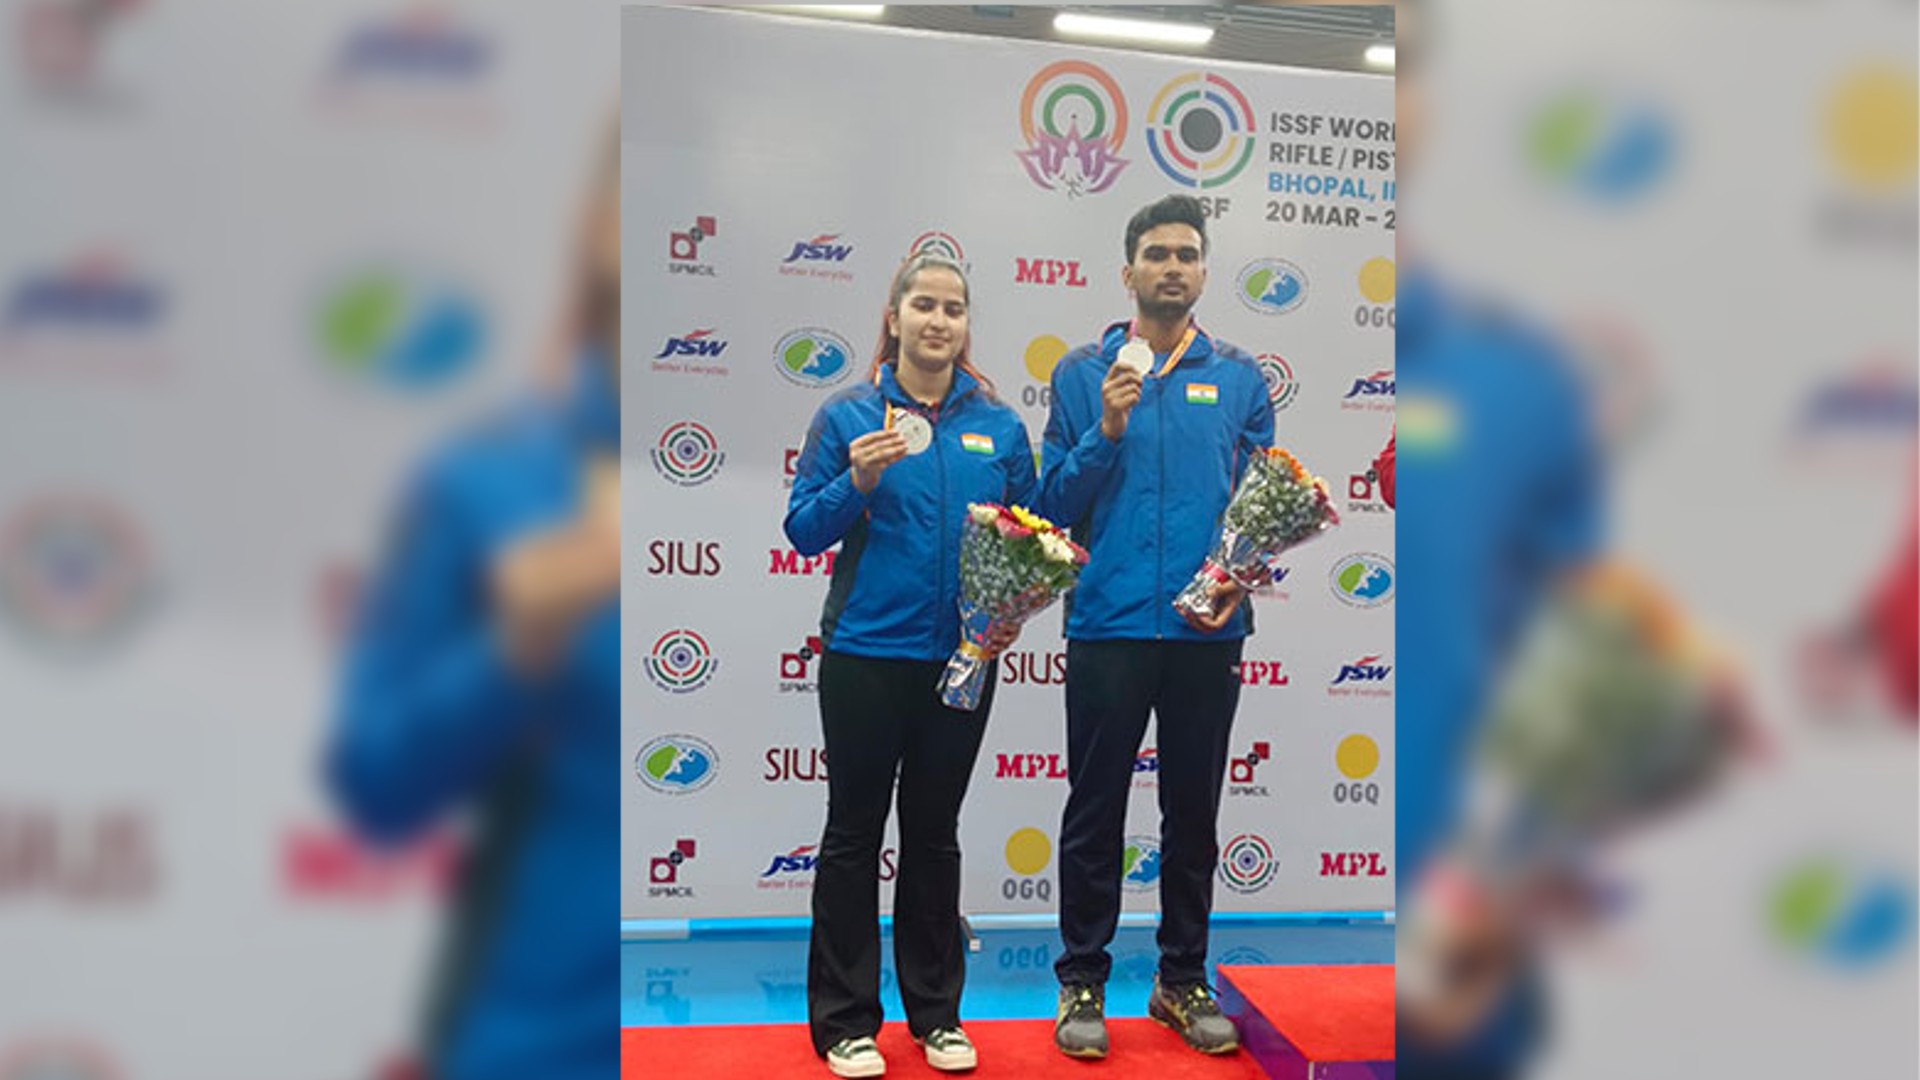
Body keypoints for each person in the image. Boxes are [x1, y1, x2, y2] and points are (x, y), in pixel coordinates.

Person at [325, 129, 619, 1080]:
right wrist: (517, 644)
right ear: (593, 224)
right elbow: (376, 781)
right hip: (526, 1041)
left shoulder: (731, 477)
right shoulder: (487, 479)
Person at [785, 253, 1037, 1078]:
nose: (939, 320)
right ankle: (845, 1022)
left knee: (934, 837)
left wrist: (1008, 614)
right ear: (893, 317)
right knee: (853, 835)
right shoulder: (847, 413)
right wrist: (856, 480)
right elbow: (803, 531)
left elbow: (1029, 541)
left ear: (967, 326)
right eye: (923, 305)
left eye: (954, 308)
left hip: (961, 664)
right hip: (864, 656)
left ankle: (937, 1015)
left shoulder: (999, 428)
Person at [1037, 194, 1274, 1059]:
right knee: (1095, 810)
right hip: (1107, 623)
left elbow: (1260, 509)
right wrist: (1105, 427)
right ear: (1127, 271)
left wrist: (1241, 574)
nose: (1173, 266)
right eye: (1157, 253)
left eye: (1188, 253)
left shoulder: (1242, 376)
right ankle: (1082, 985)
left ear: (1205, 270)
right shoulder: (1079, 373)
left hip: (1208, 631)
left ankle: (1181, 981)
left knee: (1194, 814)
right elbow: (1052, 506)